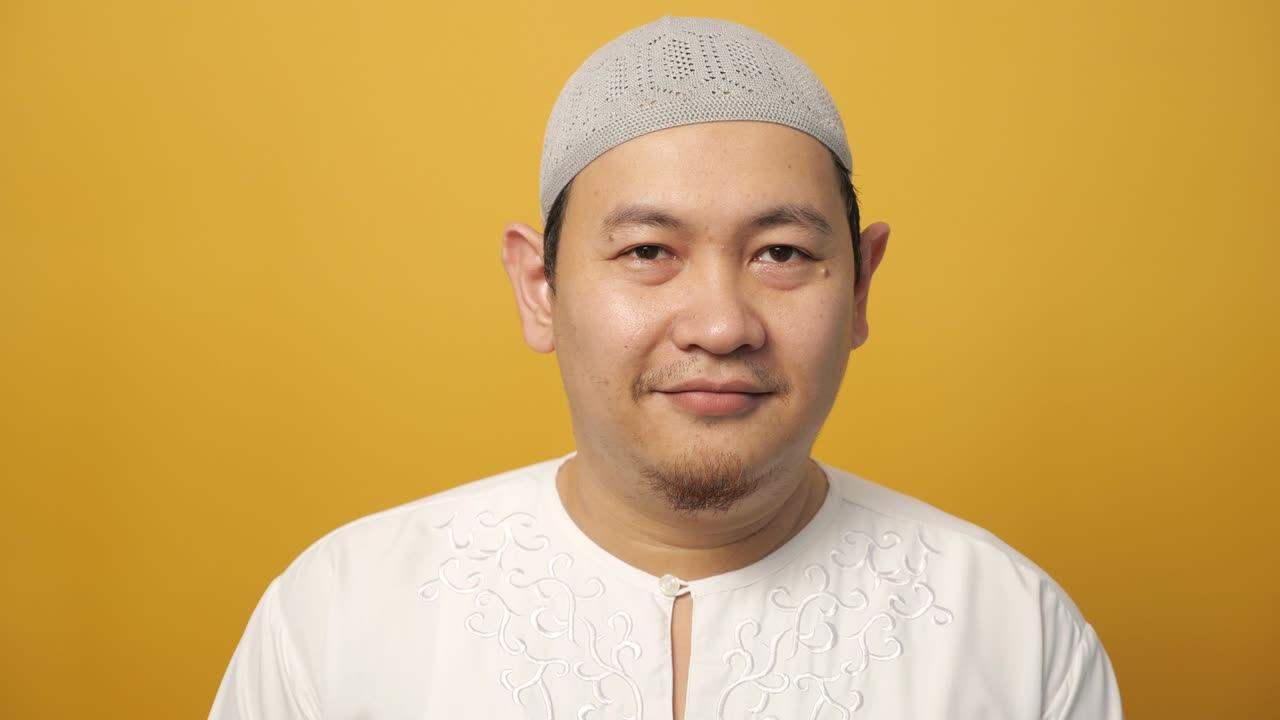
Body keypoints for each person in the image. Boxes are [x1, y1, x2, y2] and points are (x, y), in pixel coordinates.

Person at [210, 16, 1123, 720]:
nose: (722, 324)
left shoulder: (1011, 629)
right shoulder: (342, 612)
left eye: (780, 253)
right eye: (649, 251)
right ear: (540, 287)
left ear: (860, 287)